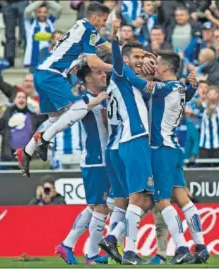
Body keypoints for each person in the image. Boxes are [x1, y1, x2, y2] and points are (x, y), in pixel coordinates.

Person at [16, 2, 114, 178]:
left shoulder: (82, 25)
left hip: (42, 72)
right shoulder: (90, 29)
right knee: (78, 108)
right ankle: (45, 140)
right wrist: (117, 68)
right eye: (104, 20)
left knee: (54, 118)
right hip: (53, 75)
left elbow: (106, 45)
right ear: (95, 17)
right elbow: (93, 62)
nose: (104, 24)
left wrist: (123, 53)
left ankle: (27, 151)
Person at [99, 22, 155, 265]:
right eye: (137, 57)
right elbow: (120, 64)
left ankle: (114, 239)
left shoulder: (127, 82)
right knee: (140, 198)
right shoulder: (120, 74)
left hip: (121, 142)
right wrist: (114, 39)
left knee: (137, 199)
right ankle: (128, 249)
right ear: (125, 58)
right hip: (133, 139)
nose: (141, 60)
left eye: (143, 56)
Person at [148, 51, 209, 264]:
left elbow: (134, 82)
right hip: (173, 146)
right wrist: (192, 86)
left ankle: (182, 247)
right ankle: (200, 246)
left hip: (161, 148)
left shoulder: (163, 88)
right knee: (183, 199)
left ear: (164, 68)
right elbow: (185, 93)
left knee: (162, 200)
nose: (152, 67)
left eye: (155, 64)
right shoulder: (179, 88)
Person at [55, 65, 109, 265]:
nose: (103, 74)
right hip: (95, 160)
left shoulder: (104, 97)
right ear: (87, 79)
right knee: (101, 207)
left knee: (97, 206)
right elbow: (67, 110)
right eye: (98, 73)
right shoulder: (84, 100)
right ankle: (91, 254)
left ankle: (67, 245)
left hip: (105, 159)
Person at [0, 91, 39, 162]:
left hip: (28, 156)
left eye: (23, 98)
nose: (21, 99)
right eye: (19, 97)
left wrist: (39, 111)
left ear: (27, 101)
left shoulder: (32, 115)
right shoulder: (7, 113)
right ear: (15, 101)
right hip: (10, 155)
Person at [23, 0, 62, 73]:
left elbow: (58, 9)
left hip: (48, 58)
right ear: (35, 13)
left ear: (47, 13)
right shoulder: (30, 22)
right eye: (39, 12)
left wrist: (46, 1)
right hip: (33, 59)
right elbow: (27, 11)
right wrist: (40, 1)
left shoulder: (51, 21)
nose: (42, 14)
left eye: (44, 12)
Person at [199, 86, 219, 160]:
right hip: (204, 146)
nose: (212, 96)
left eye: (214, 94)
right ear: (207, 96)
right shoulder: (202, 107)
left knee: (218, 170)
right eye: (210, 94)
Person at [2, 0, 28, 67]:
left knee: (25, 33)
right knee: (9, 34)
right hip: (7, 4)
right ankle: (9, 60)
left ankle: (28, 60)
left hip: (23, 3)